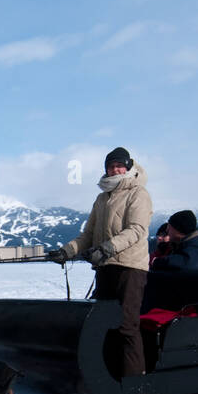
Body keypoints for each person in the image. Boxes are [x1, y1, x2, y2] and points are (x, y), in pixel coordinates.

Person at [47, 147, 152, 375]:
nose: (114, 170)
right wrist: (66, 251)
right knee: (104, 325)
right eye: (110, 166)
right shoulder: (102, 198)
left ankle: (134, 383)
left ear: (128, 166)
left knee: (126, 326)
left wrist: (107, 248)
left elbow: (136, 230)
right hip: (105, 267)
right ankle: (110, 378)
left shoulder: (138, 193)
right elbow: (88, 234)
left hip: (130, 267)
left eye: (119, 165)